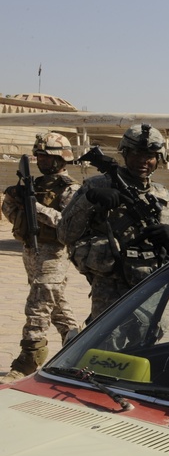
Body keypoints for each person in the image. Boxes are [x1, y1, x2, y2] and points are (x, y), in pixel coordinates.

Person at [58, 124, 169, 322]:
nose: (143, 160)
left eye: (150, 155)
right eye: (136, 153)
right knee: (107, 348)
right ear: (125, 153)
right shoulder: (97, 186)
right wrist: (89, 199)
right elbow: (64, 234)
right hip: (110, 294)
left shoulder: (163, 196)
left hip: (152, 290)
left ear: (159, 159)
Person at [1, 133, 82, 382]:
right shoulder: (32, 185)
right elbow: (10, 213)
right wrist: (15, 200)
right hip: (30, 250)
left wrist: (34, 206)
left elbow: (65, 222)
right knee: (54, 304)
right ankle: (79, 347)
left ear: (61, 158)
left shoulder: (71, 189)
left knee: (37, 306)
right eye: (39, 156)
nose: (42, 161)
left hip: (53, 254)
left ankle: (29, 360)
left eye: (47, 156)